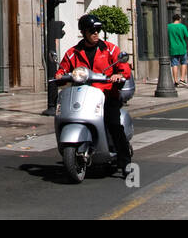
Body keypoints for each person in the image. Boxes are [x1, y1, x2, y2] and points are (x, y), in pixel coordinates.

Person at [56, 14, 132, 172]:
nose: (96, 33)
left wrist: (119, 75)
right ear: (83, 32)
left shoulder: (110, 50)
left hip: (106, 94)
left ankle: (125, 162)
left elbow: (123, 68)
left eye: (98, 30)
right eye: (92, 30)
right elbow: (64, 68)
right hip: (82, 95)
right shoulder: (73, 52)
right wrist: (60, 74)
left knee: (113, 124)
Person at [167, 13, 188, 86]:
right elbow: (187, 36)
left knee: (174, 64)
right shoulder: (182, 26)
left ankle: (175, 81)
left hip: (173, 48)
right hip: (182, 48)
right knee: (183, 63)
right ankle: (182, 79)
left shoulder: (168, 27)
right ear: (179, 19)